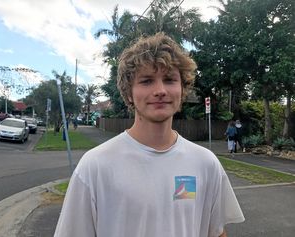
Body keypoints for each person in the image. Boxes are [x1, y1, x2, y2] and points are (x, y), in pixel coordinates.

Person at [54, 33, 244, 237]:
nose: (160, 90)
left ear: (182, 89)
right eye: (146, 81)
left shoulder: (206, 163)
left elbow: (215, 232)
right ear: (129, 93)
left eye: (170, 79)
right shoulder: (95, 166)